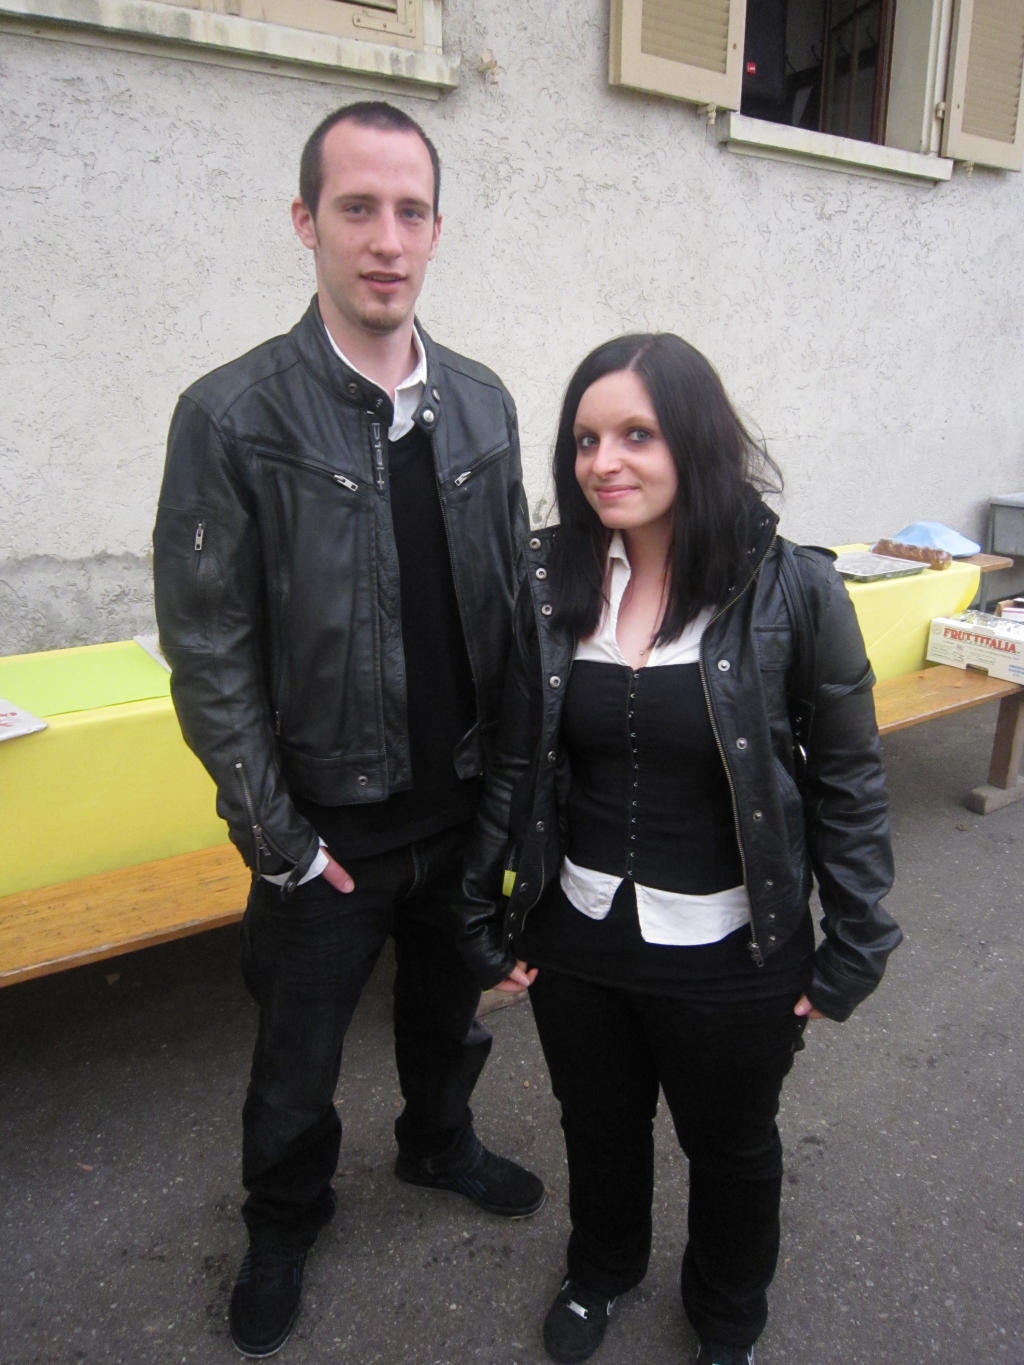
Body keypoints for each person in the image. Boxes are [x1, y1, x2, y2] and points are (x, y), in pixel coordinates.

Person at [152, 101, 543, 1359]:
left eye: (410, 210)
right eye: (357, 208)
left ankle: (437, 1144)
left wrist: (514, 805)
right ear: (305, 222)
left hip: (459, 810)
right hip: (324, 835)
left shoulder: (481, 404)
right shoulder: (232, 415)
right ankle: (283, 1219)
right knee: (294, 1065)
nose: (386, 239)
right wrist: (278, 837)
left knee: (448, 1019)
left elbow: (512, 618)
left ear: (437, 229)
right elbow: (209, 652)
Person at [455, 333, 902, 1365]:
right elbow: (514, 761)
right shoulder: (549, 583)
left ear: (694, 442)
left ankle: (727, 1314)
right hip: (579, 937)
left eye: (635, 435)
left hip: (733, 951)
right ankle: (602, 1268)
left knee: (731, 1147)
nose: (602, 462)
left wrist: (856, 942)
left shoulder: (793, 591)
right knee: (596, 1126)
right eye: (585, 440)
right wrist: (483, 911)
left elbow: (848, 780)